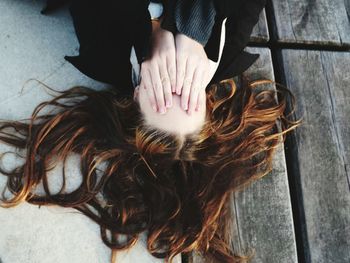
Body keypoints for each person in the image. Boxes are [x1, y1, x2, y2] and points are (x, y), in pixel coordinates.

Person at [0, 1, 300, 262]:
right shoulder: (226, 49)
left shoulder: (103, 51)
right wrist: (199, 38)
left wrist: (153, 30)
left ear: (135, 95)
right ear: (206, 99)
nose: (173, 77)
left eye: (162, 95)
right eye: (186, 94)